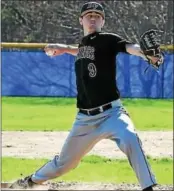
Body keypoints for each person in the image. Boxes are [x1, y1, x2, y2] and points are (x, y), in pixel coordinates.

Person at [10, 2, 161, 191]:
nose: (93, 18)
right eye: (89, 15)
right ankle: (30, 182)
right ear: (81, 20)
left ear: (102, 21)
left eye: (97, 16)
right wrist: (64, 48)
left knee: (130, 137)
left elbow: (129, 47)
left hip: (112, 114)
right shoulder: (84, 44)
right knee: (64, 163)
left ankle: (149, 187)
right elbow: (83, 51)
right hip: (84, 120)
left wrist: (147, 55)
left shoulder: (108, 40)